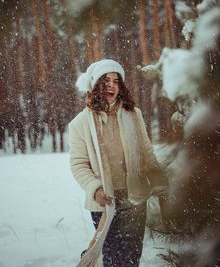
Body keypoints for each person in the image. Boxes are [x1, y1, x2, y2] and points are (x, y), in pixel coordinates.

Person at [68, 59, 168, 267]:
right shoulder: (80, 123)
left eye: (116, 81)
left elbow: (146, 152)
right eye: (106, 81)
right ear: (95, 85)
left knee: (131, 258)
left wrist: (161, 184)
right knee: (113, 258)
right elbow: (79, 165)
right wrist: (95, 190)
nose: (112, 85)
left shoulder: (134, 115)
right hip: (105, 202)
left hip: (135, 199)